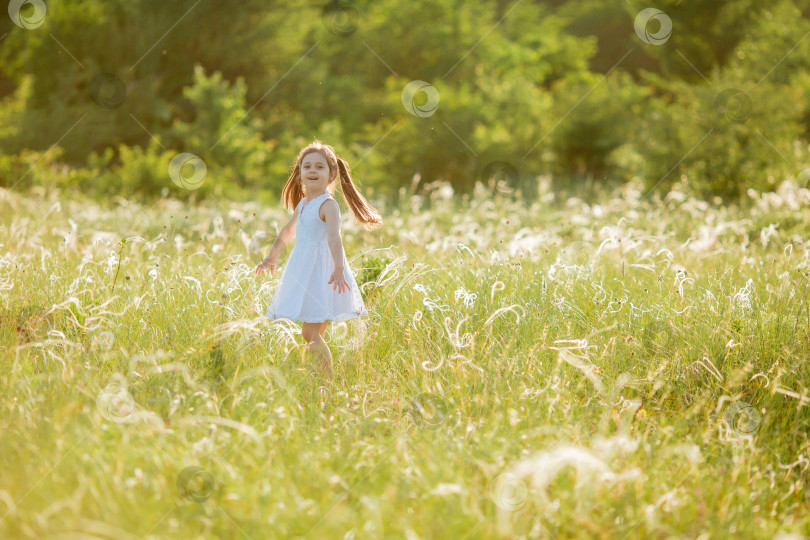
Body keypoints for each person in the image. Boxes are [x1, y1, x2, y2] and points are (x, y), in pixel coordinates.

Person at [255, 141, 383, 380]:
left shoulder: (328, 205)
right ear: (299, 173)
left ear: (332, 174)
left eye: (319, 167)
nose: (312, 171)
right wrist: (270, 256)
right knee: (313, 332)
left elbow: (335, 239)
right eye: (307, 166)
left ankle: (327, 382)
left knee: (310, 332)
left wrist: (338, 268)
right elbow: (287, 232)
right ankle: (316, 378)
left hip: (322, 275)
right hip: (303, 272)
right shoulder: (304, 204)